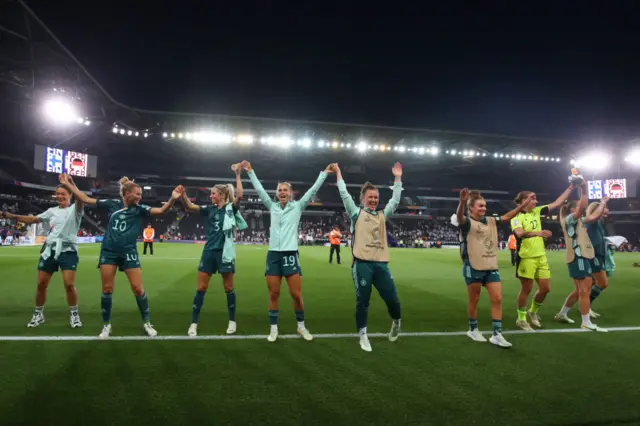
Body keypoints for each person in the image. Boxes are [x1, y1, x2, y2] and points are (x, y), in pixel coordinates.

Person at [59, 174, 183, 338]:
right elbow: (85, 199)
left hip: (129, 252)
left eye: (140, 195)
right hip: (109, 252)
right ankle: (106, 326)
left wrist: (173, 199)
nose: (140, 197)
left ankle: (147, 323)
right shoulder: (112, 205)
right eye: (137, 194)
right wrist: (70, 185)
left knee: (138, 289)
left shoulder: (140, 210)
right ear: (126, 193)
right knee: (107, 289)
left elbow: (161, 210)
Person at [241, 160, 331, 342]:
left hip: (290, 254)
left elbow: (312, 191)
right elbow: (259, 190)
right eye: (280, 190)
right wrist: (250, 172)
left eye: (285, 190)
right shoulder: (272, 206)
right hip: (273, 254)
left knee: (296, 295)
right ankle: (273, 329)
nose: (282, 192)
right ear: (277, 193)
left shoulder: (297, 206)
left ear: (290, 194)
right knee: (274, 293)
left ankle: (301, 327)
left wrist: (324, 174)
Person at [333, 162, 403, 352]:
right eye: (370, 197)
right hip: (362, 264)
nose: (373, 200)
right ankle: (363, 335)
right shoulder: (356, 213)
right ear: (363, 199)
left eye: (376, 197)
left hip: (381, 265)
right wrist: (338, 172)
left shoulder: (382, 215)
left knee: (393, 300)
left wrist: (397, 178)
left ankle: (396, 322)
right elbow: (344, 194)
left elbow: (395, 202)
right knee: (363, 300)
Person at [456, 189, 534, 348]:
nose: (483, 208)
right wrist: (462, 202)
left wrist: (523, 205)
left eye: (484, 206)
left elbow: (506, 216)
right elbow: (459, 217)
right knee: (474, 299)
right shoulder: (467, 222)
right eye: (480, 206)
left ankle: (497, 334)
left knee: (497, 298)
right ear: (471, 208)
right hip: (473, 265)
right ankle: (473, 329)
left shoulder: (491, 220)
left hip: (490, 265)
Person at [1, 181, 84, 328]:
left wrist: (70, 183)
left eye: (63, 193)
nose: (59, 196)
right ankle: (38, 314)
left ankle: (74, 314)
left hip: (68, 250)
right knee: (41, 284)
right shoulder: (51, 211)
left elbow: (80, 197)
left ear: (70, 195)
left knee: (69, 284)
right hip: (50, 250)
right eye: (57, 194)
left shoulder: (75, 209)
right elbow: (33, 219)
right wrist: (10, 215)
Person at [181, 164, 247, 336]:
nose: (210, 196)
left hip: (224, 253)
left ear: (222, 195)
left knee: (228, 287)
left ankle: (232, 321)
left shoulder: (230, 208)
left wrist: (238, 175)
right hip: (209, 251)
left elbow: (240, 195)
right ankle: (193, 323)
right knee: (201, 288)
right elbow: (190, 207)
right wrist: (182, 195)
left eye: (213, 193)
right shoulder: (209, 209)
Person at [510, 184, 575, 331]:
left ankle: (532, 312)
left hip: (541, 256)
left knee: (545, 289)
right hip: (526, 257)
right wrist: (537, 233)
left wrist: (571, 188)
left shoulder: (537, 211)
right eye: (533, 198)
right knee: (526, 289)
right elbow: (519, 233)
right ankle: (521, 319)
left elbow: (558, 203)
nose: (536, 201)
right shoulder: (516, 217)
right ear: (524, 201)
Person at [554, 182, 607, 331]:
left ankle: (562, 314)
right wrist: (583, 189)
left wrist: (602, 203)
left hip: (581, 257)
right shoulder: (570, 219)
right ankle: (586, 322)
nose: (582, 209)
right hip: (578, 258)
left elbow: (594, 215)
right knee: (585, 291)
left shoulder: (578, 221)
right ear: (572, 210)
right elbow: (583, 208)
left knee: (579, 291)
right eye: (578, 207)